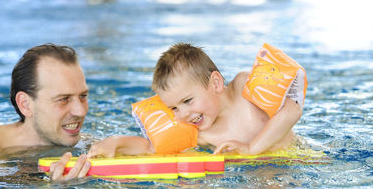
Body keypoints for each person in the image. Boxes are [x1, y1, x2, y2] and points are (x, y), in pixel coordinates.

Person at [88, 42, 303, 158]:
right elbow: (151, 148)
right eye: (173, 107)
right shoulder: (199, 133)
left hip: (296, 160)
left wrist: (251, 148)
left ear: (216, 83)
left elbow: (292, 110)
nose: (182, 114)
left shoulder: (243, 88)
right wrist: (116, 143)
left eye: (188, 101)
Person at [0, 43, 92, 181]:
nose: (80, 111)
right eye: (64, 99)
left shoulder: (88, 144)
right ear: (25, 105)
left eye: (83, 96)